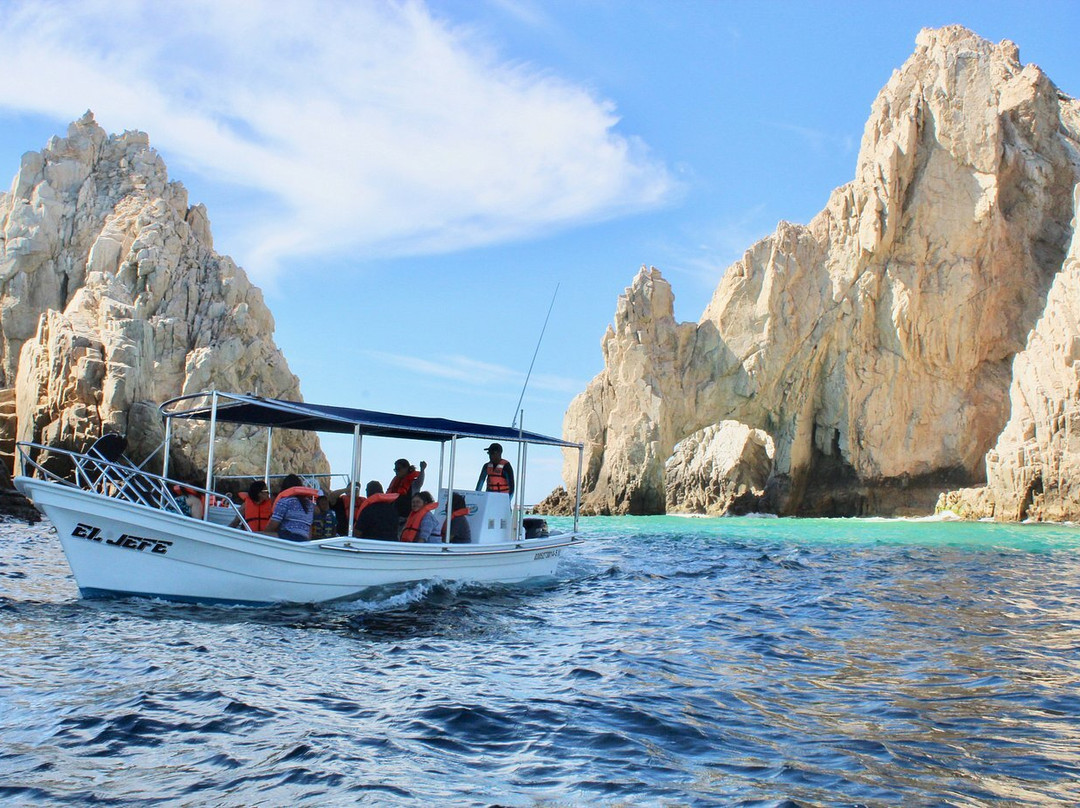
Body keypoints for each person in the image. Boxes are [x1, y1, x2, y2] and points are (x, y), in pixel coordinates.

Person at [264, 474, 315, 542]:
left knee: (255, 535)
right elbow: (309, 528)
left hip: (288, 537)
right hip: (304, 539)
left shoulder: (284, 501)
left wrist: (263, 533)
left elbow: (273, 525)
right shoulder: (310, 505)